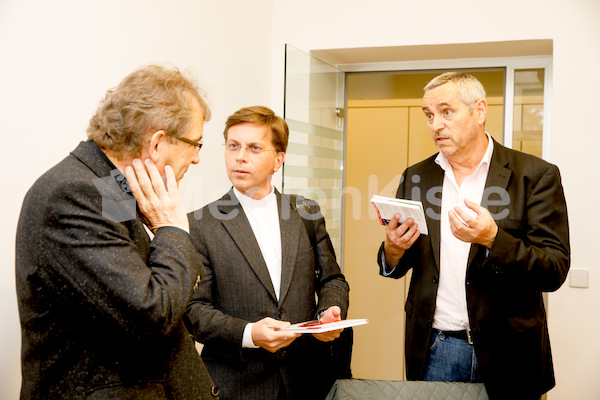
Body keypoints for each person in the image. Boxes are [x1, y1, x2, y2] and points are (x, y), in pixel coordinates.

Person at [16, 65, 219, 399]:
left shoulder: (108, 187)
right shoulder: (74, 194)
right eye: (195, 144)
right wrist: (172, 229)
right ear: (157, 143)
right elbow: (152, 314)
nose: (196, 159)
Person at [378, 72, 570, 400]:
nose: (435, 124)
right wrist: (393, 248)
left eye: (446, 111)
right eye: (428, 114)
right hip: (435, 349)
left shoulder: (534, 176)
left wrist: (494, 238)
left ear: (479, 111)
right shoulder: (417, 177)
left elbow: (553, 268)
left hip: (510, 351)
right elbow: (399, 262)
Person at [186, 106, 350, 400]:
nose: (240, 156)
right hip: (236, 385)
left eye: (254, 148)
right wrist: (249, 334)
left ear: (278, 160)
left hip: (306, 381)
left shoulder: (305, 213)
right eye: (233, 146)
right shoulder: (200, 224)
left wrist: (329, 313)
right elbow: (195, 310)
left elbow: (333, 280)